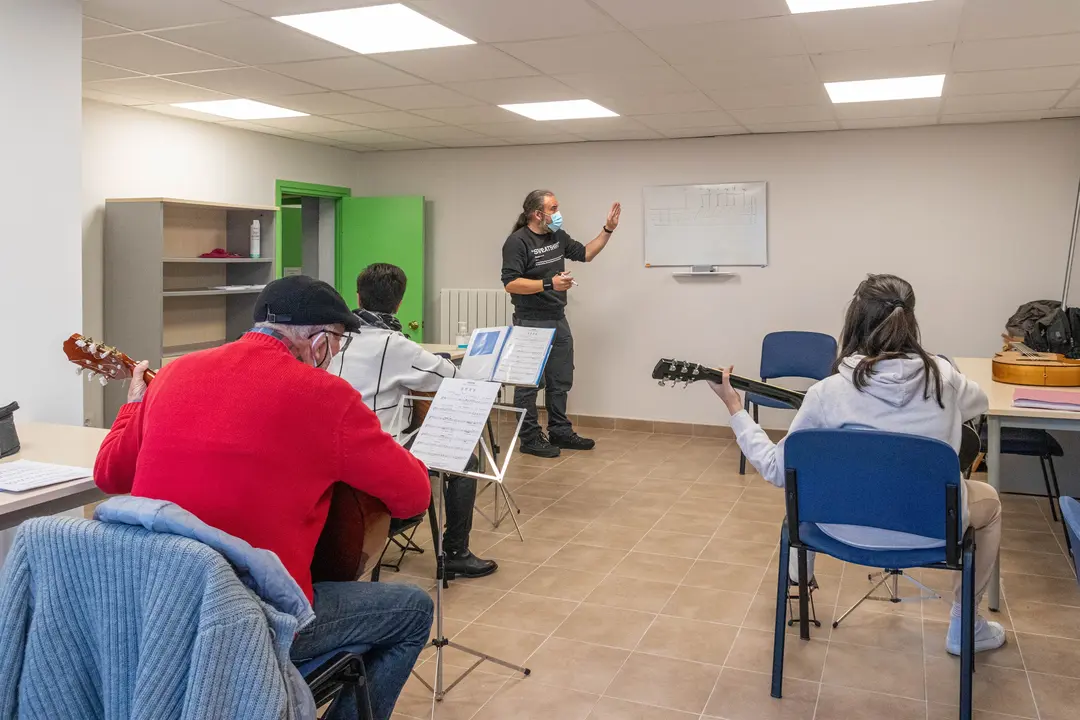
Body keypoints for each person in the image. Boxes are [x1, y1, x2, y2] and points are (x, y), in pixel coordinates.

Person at [93, 275, 434, 720]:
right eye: (338, 343)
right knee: (413, 610)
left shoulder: (174, 372)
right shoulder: (327, 395)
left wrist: (135, 402)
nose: (335, 355)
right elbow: (414, 496)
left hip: (156, 611)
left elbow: (110, 473)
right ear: (319, 342)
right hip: (253, 622)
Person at [710, 274, 1004, 656]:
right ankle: (966, 626)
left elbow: (775, 469)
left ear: (854, 320)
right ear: (910, 321)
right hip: (931, 532)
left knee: (808, 490)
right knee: (990, 502)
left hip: (839, 530)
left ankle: (802, 576)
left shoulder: (827, 393)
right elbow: (980, 404)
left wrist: (735, 406)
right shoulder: (944, 380)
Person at [332, 262, 497, 579]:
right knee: (465, 460)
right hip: (375, 451)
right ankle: (455, 553)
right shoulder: (396, 345)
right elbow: (454, 377)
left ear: (358, 296)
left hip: (334, 448)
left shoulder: (335, 337)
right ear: (399, 303)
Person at [501, 189, 621, 457]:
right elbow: (511, 283)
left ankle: (560, 431)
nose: (558, 213)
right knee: (529, 384)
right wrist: (549, 283)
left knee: (560, 380)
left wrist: (608, 230)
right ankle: (530, 438)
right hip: (530, 321)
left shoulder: (557, 236)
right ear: (537, 214)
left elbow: (586, 253)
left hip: (557, 318)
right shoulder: (517, 242)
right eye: (553, 209)